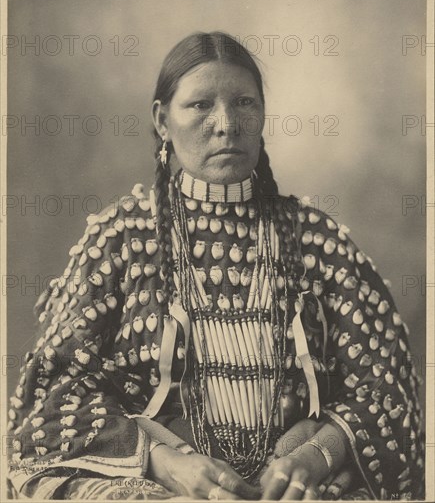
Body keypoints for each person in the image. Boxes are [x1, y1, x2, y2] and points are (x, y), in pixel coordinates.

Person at [7, 32, 424, 501]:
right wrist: (165, 465)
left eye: (244, 102)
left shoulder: (317, 242)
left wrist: (315, 456)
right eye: (201, 105)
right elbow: (49, 397)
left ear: (263, 114)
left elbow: (388, 395)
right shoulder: (120, 238)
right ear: (162, 121)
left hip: (293, 486)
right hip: (150, 480)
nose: (227, 123)